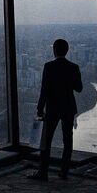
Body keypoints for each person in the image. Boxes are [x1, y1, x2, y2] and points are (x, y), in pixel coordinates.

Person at [28, 38, 82, 181]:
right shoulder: (73, 67)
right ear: (67, 50)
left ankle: (43, 172)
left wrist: (40, 108)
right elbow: (79, 88)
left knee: (46, 140)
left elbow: (44, 89)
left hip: (52, 108)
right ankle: (64, 172)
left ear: (54, 50)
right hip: (68, 107)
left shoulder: (49, 66)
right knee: (67, 141)